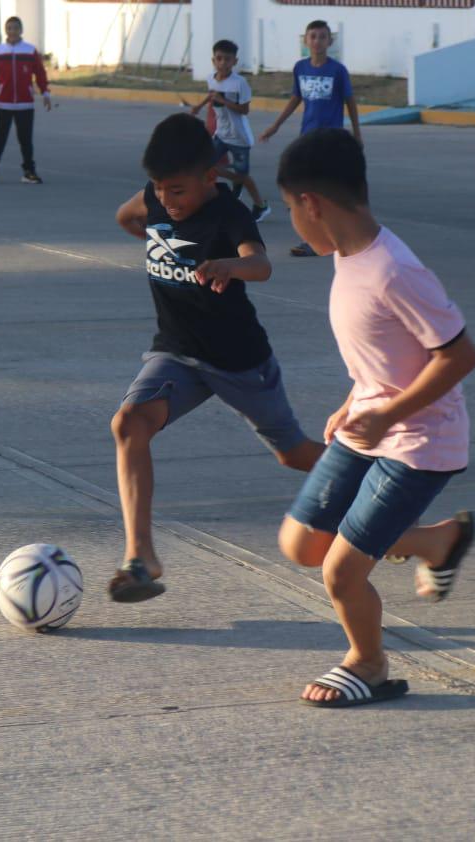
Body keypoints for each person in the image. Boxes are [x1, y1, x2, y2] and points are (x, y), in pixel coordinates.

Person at [276, 128, 475, 708]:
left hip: (419, 441)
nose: (292, 219)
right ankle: (438, 542)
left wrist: (389, 409)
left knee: (340, 572)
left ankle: (368, 663)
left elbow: (460, 355)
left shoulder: (394, 270)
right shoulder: (348, 258)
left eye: (291, 208)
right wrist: (355, 399)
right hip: (369, 422)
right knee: (302, 543)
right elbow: (386, 354)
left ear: (311, 204)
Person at [108, 113, 325, 603]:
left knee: (292, 453)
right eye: (160, 189)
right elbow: (128, 217)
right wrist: (156, 236)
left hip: (239, 360)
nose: (167, 200)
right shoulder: (154, 199)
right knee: (129, 424)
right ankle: (141, 557)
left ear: (211, 177)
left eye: (178, 191)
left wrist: (232, 264)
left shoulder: (229, 213)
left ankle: (372, 478)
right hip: (177, 353)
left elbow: (262, 264)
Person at [259, 19, 362, 257]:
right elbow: (296, 98)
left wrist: (357, 133)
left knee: (326, 188)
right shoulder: (300, 68)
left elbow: (350, 101)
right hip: (308, 138)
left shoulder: (337, 70)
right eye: (313, 36)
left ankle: (331, 236)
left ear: (330, 41)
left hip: (331, 139)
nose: (317, 41)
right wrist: (275, 126)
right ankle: (316, 238)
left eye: (322, 36)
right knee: (305, 186)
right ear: (305, 40)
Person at [188, 39, 271, 223]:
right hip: (221, 134)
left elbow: (244, 110)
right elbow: (212, 96)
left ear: (235, 61)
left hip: (240, 138)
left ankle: (260, 205)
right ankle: (217, 197)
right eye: (219, 58)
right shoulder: (211, 78)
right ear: (213, 60)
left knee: (242, 176)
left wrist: (224, 101)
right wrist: (198, 107)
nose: (223, 63)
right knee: (204, 165)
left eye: (227, 59)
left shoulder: (239, 83)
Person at [0, 16, 51, 184]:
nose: (12, 31)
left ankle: (29, 172)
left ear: (21, 30)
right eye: (9, 28)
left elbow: (40, 73)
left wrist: (45, 93)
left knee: (26, 140)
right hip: (4, 103)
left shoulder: (30, 51)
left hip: (25, 104)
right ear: (6, 30)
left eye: (15, 28)